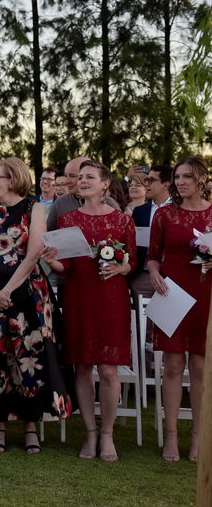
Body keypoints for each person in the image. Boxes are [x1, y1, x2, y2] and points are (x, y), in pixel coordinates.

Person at [0, 157, 71, 453]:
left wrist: (7, 289)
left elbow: (34, 252)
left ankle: (30, 425)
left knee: (29, 358)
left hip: (27, 292)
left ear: (13, 178)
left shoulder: (35, 209)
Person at [44, 160, 135, 462]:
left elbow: (132, 262)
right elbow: (64, 267)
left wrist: (122, 268)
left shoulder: (122, 221)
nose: (82, 181)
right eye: (80, 177)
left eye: (89, 177)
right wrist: (50, 259)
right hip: (78, 296)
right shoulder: (67, 218)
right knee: (82, 366)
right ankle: (89, 432)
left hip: (111, 298)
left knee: (109, 370)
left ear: (105, 183)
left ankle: (107, 434)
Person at [146, 155, 212, 463]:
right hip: (172, 293)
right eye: (177, 176)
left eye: (187, 176)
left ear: (201, 178)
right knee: (171, 366)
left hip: (206, 295)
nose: (181, 181)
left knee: (200, 368)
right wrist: (155, 273)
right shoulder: (165, 215)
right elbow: (153, 255)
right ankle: (171, 436)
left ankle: (198, 437)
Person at [130, 164, 173, 297]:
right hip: (144, 275)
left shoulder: (179, 209)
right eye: (146, 180)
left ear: (166, 184)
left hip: (173, 274)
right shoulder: (140, 211)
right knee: (144, 317)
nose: (146, 184)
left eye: (151, 180)